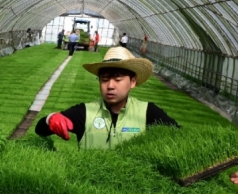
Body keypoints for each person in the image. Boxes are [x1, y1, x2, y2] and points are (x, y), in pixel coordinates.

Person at [35, 47, 178, 150]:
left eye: (118, 79)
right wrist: (50, 119)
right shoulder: (85, 112)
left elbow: (181, 138)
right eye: (104, 79)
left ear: (132, 81)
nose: (110, 85)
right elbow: (40, 130)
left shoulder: (149, 112)